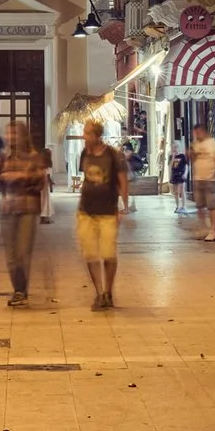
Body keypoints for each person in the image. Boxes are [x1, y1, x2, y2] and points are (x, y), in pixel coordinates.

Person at [74, 119, 130, 310]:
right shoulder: (84, 153)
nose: (84, 136)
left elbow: (122, 180)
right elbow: (86, 178)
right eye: (84, 132)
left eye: (88, 133)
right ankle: (99, 293)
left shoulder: (113, 155)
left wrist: (123, 207)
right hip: (86, 211)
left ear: (97, 136)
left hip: (108, 211)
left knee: (108, 254)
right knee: (90, 254)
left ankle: (109, 291)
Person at [0, 120, 48, 307]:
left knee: (23, 252)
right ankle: (18, 288)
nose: (10, 137)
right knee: (11, 254)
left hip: (27, 207)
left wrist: (22, 177)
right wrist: (3, 194)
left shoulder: (34, 157)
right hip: (8, 208)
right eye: (7, 134)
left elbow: (41, 182)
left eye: (14, 134)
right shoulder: (4, 156)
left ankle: (21, 291)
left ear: (22, 135)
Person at [189, 124, 215, 243]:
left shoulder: (213, 144)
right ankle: (203, 228)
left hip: (210, 179)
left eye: (198, 132)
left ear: (203, 131)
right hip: (198, 178)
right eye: (195, 133)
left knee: (211, 206)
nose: (197, 135)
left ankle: (213, 231)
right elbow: (193, 159)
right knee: (199, 206)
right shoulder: (196, 144)